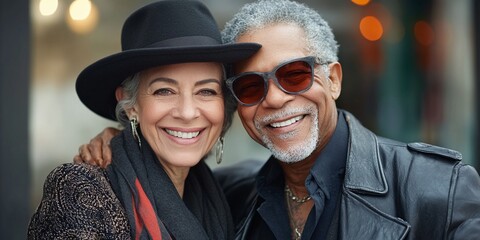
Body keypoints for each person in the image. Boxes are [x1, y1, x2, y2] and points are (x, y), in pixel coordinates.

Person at [76, 0, 480, 239]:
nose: (275, 99)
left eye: (294, 75)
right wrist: (124, 140)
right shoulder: (229, 196)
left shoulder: (438, 189)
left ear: (333, 79)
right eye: (251, 87)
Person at [28, 1, 261, 239]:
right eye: (164, 91)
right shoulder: (79, 190)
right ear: (130, 104)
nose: (188, 112)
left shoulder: (222, 198)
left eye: (206, 91)